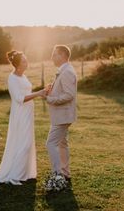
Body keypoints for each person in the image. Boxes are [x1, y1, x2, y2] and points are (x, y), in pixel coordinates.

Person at [0, 50, 47, 185]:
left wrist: (43, 92)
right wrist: (39, 93)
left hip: (28, 113)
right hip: (20, 114)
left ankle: (26, 173)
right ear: (18, 64)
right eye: (24, 61)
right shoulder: (12, 78)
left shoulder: (23, 76)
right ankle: (16, 174)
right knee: (23, 143)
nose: (27, 62)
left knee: (28, 142)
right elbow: (19, 98)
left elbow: (27, 92)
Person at [43, 45, 77, 190]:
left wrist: (50, 99)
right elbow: (63, 90)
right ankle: (65, 173)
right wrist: (51, 91)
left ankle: (57, 176)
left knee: (50, 143)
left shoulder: (67, 72)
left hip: (63, 115)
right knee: (62, 143)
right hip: (62, 115)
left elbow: (69, 95)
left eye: (54, 54)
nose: (52, 57)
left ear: (62, 55)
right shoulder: (63, 70)